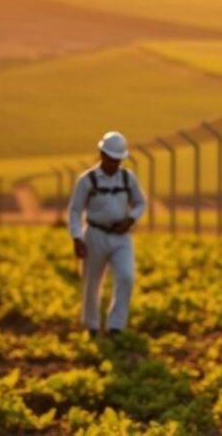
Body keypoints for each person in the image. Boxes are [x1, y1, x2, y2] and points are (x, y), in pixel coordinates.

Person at [68, 131, 147, 336]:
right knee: (92, 282)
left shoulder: (128, 178)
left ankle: (116, 327)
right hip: (95, 235)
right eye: (112, 159)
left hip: (121, 237)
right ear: (102, 155)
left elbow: (140, 202)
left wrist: (130, 219)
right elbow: (75, 211)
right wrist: (77, 237)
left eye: (118, 160)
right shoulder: (87, 181)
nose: (115, 164)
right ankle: (92, 326)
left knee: (126, 277)